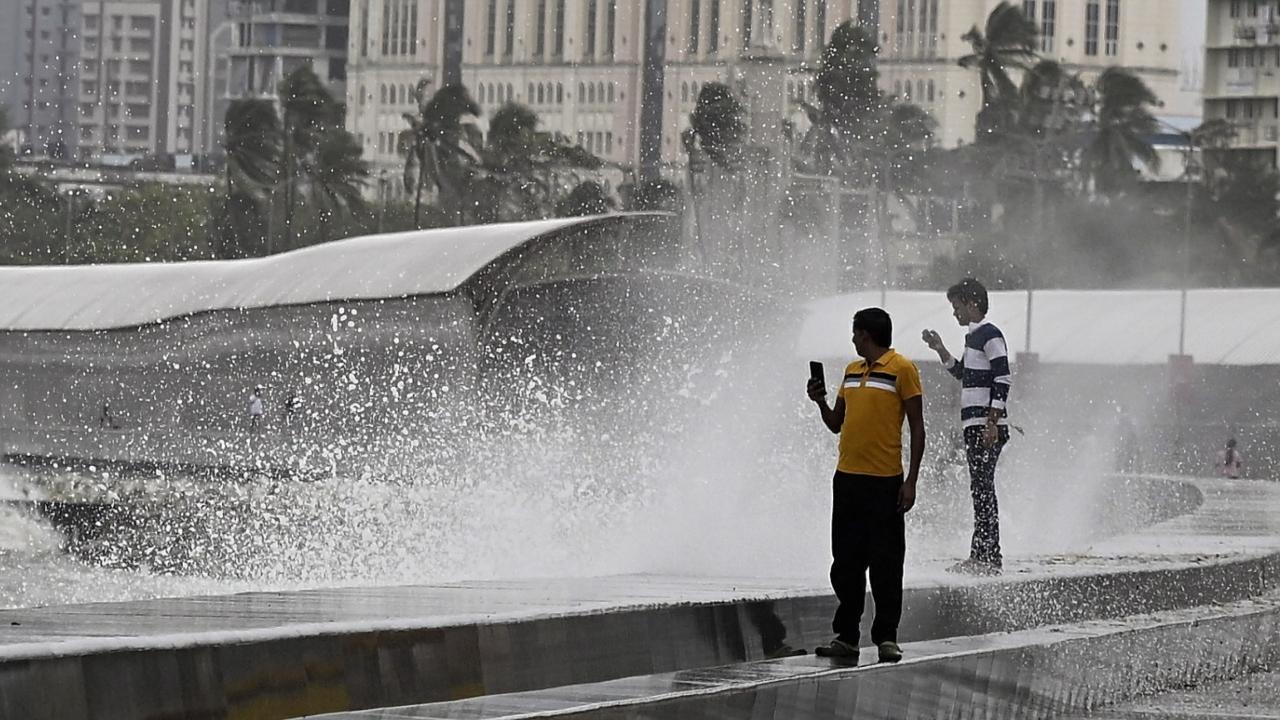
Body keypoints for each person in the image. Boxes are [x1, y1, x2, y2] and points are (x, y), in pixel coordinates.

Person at [806, 307, 925, 663]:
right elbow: (835, 424)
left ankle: (886, 637)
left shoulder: (902, 369)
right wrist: (820, 401)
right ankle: (846, 637)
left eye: (855, 333)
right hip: (847, 480)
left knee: (886, 563)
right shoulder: (851, 371)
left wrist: (911, 480)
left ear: (867, 335)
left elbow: (917, 427)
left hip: (885, 482)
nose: (853, 339)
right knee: (846, 562)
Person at [922, 278, 1011, 576]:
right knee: (980, 488)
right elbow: (962, 373)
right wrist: (940, 349)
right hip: (975, 424)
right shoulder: (973, 338)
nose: (954, 313)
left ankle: (986, 557)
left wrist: (991, 421)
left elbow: (1003, 377)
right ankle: (983, 555)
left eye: (957, 306)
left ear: (972, 303)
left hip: (986, 426)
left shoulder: (990, 335)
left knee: (983, 489)